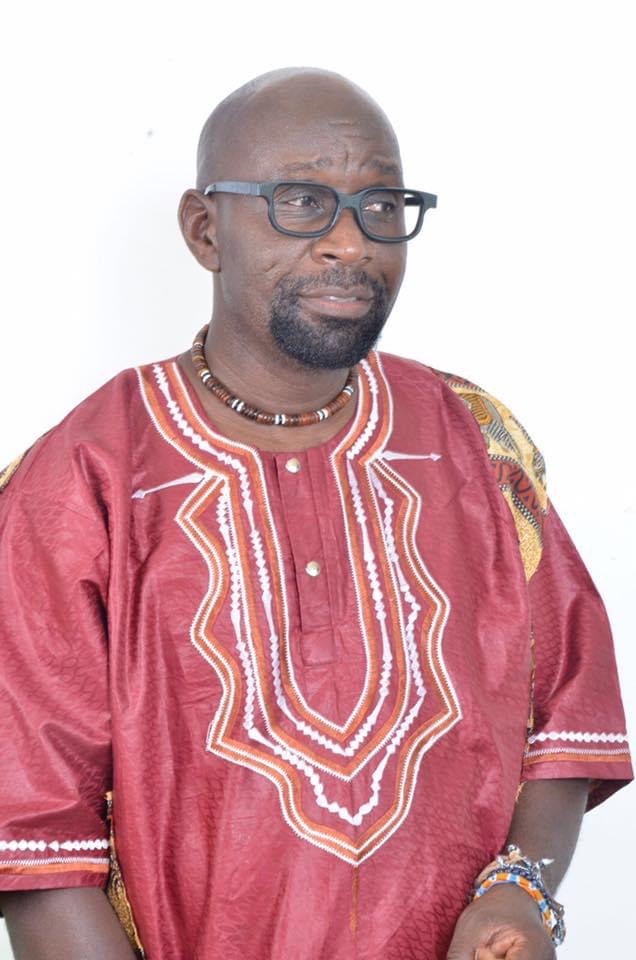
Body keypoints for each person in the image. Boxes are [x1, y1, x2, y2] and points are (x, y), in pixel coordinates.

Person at [0, 67, 631, 960]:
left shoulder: (473, 445)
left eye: (381, 206)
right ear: (204, 228)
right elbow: (30, 835)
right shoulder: (83, 479)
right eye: (302, 201)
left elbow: (569, 717)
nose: (350, 243)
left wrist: (520, 890)